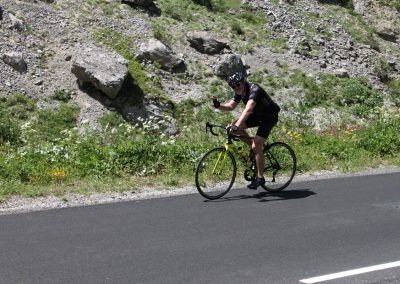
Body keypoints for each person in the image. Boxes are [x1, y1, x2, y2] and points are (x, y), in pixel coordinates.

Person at [211, 72, 280, 189]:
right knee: (236, 128)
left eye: (237, 85)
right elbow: (231, 106)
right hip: (258, 116)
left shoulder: (254, 89)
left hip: (269, 117)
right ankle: (255, 150)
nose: (236, 88)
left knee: (255, 144)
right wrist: (219, 106)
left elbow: (248, 109)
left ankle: (260, 178)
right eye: (233, 87)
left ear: (243, 82)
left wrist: (237, 125)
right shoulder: (240, 92)